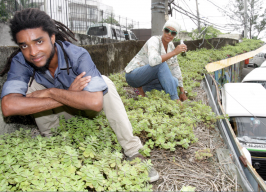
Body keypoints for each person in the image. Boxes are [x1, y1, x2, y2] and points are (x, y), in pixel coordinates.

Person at [0, 8, 159, 182]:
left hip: (84, 111)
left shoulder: (77, 55)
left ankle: (132, 150)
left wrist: (51, 92)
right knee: (31, 89)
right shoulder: (21, 61)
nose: (32, 52)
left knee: (105, 83)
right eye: (24, 45)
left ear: (52, 38)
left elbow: (95, 103)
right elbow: (9, 106)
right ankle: (53, 143)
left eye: (39, 41)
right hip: (58, 116)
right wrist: (66, 94)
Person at [125, 19, 188, 102]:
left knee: (174, 81)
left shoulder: (171, 46)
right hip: (134, 75)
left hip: (148, 79)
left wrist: (182, 91)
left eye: (173, 33)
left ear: (175, 35)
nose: (169, 34)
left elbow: (175, 68)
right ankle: (175, 99)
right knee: (161, 64)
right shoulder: (154, 40)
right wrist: (174, 52)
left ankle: (143, 89)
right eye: (167, 30)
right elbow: (153, 62)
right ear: (163, 30)